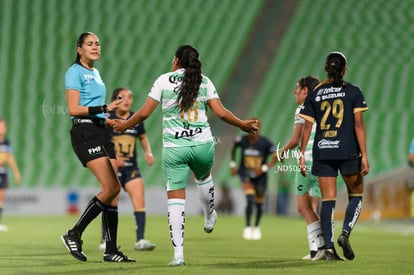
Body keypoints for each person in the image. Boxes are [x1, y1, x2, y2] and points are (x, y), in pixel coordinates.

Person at [112, 44, 259, 266]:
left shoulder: (163, 80)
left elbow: (143, 113)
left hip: (174, 149)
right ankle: (210, 215)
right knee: (204, 178)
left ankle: (178, 255)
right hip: (202, 145)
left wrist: (124, 125)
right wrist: (242, 124)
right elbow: (221, 113)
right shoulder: (204, 81)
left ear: (176, 61)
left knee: (176, 200)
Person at [61, 32, 135, 262]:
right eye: (90, 44)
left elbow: (98, 110)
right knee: (111, 186)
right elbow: (73, 109)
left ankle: (111, 250)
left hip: (101, 130)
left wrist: (110, 120)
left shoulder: (96, 73)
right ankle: (73, 233)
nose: (95, 47)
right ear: (79, 49)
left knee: (114, 192)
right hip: (85, 132)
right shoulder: (74, 73)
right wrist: (104, 107)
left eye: (98, 44)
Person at [299, 52, 369, 261]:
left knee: (328, 200)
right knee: (356, 195)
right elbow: (358, 124)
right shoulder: (353, 91)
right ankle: (345, 233)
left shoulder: (316, 93)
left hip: (323, 150)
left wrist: (302, 154)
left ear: (325, 69)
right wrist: (364, 155)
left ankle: (328, 249)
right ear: (344, 69)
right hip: (347, 150)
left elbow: (307, 125)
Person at [99, 87, 156, 251]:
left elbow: (143, 137)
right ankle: (106, 240)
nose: (126, 100)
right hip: (112, 168)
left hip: (132, 168)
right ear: (114, 100)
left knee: (139, 201)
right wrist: (114, 158)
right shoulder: (107, 119)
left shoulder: (135, 118)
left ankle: (140, 240)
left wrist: (148, 152)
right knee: (110, 202)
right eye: (121, 97)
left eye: (129, 97)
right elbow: (100, 141)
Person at [276, 76, 324, 260]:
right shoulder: (323, 107)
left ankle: (319, 247)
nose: (295, 92)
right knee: (313, 206)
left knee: (303, 207)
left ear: (305, 90)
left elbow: (296, 140)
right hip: (324, 161)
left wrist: (281, 152)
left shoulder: (302, 109)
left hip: (308, 160)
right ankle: (318, 249)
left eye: (297, 88)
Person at [230, 119, 277, 240]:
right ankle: (247, 226)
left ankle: (256, 226)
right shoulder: (242, 140)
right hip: (245, 174)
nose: (253, 130)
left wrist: (264, 168)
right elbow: (233, 149)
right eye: (251, 127)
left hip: (260, 177)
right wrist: (233, 164)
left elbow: (275, 157)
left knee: (259, 204)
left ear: (259, 128)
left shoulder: (265, 142)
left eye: (256, 127)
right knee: (250, 199)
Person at [0, 119, 21, 231]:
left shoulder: (6, 141)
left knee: (1, 199)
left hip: (3, 172)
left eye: (3, 126)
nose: (2, 128)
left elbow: (10, 158)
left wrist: (16, 172)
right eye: (0, 126)